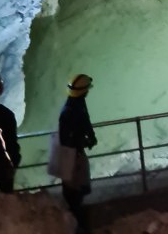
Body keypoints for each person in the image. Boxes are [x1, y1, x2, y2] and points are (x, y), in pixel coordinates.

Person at [58, 74, 97, 231]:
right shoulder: (69, 111)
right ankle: (78, 225)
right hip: (72, 156)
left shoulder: (76, 104)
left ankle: (78, 222)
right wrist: (84, 142)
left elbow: (85, 120)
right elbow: (66, 139)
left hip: (73, 154)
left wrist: (90, 135)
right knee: (74, 192)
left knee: (76, 190)